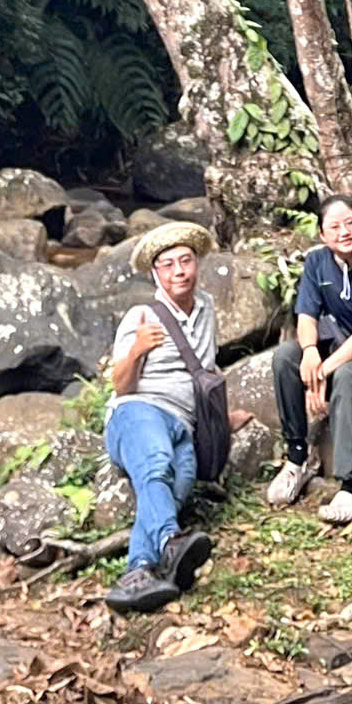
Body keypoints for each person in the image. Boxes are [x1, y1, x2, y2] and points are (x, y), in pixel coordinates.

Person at [102, 221, 226, 614]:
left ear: (196, 265)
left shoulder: (206, 310)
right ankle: (171, 543)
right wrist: (137, 349)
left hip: (184, 424)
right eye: (169, 265)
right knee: (156, 468)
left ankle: (137, 572)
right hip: (139, 412)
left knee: (175, 489)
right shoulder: (142, 314)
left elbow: (205, 370)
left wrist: (224, 417)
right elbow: (121, 387)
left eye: (186, 261)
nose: (179, 272)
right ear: (156, 273)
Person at [265, 193, 352, 525]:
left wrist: (320, 374)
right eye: (334, 226)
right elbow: (306, 317)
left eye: (350, 222)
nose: (344, 231)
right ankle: (298, 458)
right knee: (287, 357)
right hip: (337, 353)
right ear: (322, 234)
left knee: (348, 376)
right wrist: (311, 352)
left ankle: (350, 488)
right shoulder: (317, 263)